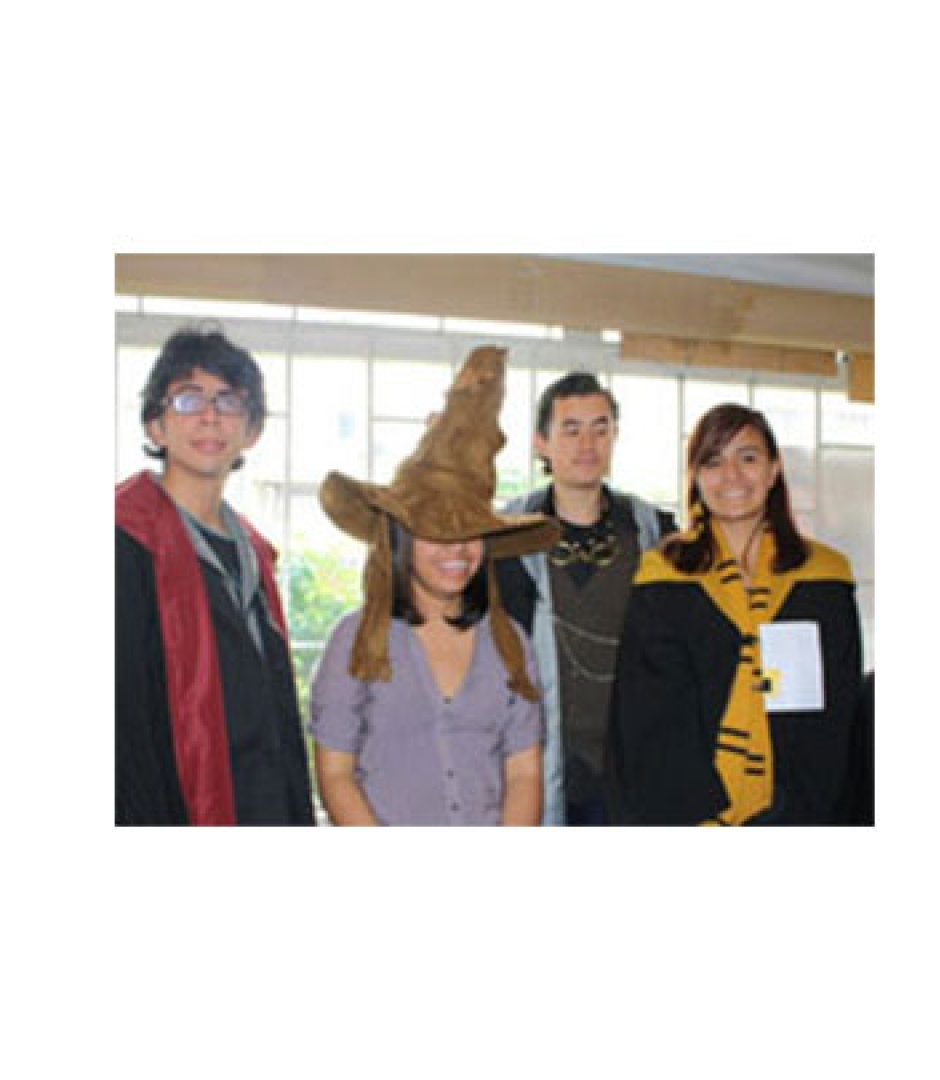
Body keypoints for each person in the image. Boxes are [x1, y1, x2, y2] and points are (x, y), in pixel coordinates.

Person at [310, 346, 560, 826]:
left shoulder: (510, 644)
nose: (457, 549)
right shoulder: (356, 639)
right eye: (436, 532)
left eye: (470, 532)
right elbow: (336, 772)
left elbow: (524, 773)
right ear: (402, 539)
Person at [608, 404, 866, 825]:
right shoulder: (662, 579)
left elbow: (835, 717)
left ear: (773, 469)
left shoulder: (824, 580)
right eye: (713, 461)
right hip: (684, 814)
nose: (731, 476)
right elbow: (649, 721)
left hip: (800, 812)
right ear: (696, 477)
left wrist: (792, 815)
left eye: (747, 458)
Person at [115, 327, 314, 826]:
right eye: (188, 399)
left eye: (229, 401)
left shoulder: (255, 555)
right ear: (156, 427)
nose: (210, 416)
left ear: (251, 432)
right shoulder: (123, 541)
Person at [496, 374, 676, 825]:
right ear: (541, 442)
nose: (587, 444)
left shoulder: (653, 531)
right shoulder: (504, 536)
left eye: (600, 428)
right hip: (531, 757)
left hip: (633, 757)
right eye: (571, 429)